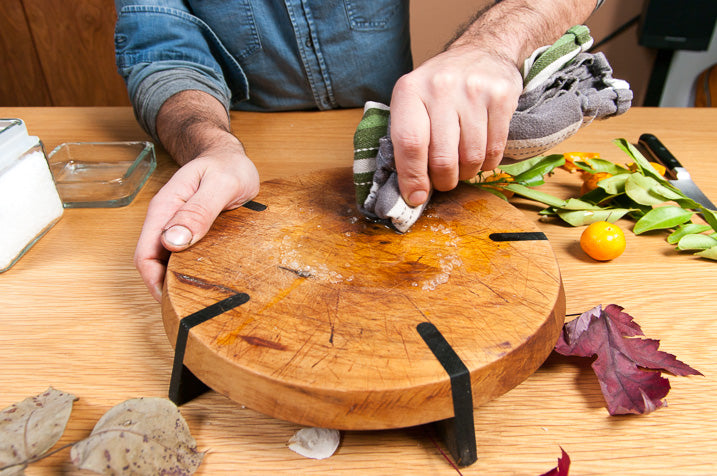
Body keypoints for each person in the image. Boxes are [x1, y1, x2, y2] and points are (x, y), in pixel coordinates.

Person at [115, 0, 603, 301]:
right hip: (246, 141)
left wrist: (491, 45)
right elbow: (163, 55)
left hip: (406, 114)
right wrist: (212, 146)